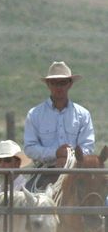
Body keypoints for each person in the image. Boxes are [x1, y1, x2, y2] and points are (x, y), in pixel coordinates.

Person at [23, 61, 95, 190]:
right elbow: (30, 148)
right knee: (25, 201)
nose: (59, 87)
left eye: (62, 82)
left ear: (70, 84)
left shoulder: (83, 114)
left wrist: (69, 158)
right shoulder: (34, 114)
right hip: (44, 172)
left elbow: (88, 147)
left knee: (95, 197)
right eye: (54, 83)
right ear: (48, 85)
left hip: (76, 173)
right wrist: (55, 154)